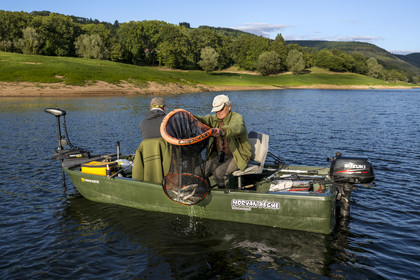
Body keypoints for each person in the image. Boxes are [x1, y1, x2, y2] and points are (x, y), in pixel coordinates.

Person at [196, 94, 252, 189]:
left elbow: (236, 128)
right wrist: (189, 116)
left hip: (238, 157)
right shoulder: (214, 119)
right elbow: (202, 119)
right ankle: (207, 191)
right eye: (216, 110)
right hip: (221, 157)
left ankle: (225, 193)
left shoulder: (237, 118)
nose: (219, 113)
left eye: (221, 109)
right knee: (198, 171)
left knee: (219, 173)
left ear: (229, 107)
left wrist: (222, 131)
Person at [132, 97, 170, 183]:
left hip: (148, 162)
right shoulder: (169, 120)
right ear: (164, 108)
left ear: (150, 108)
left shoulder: (143, 123)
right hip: (166, 164)